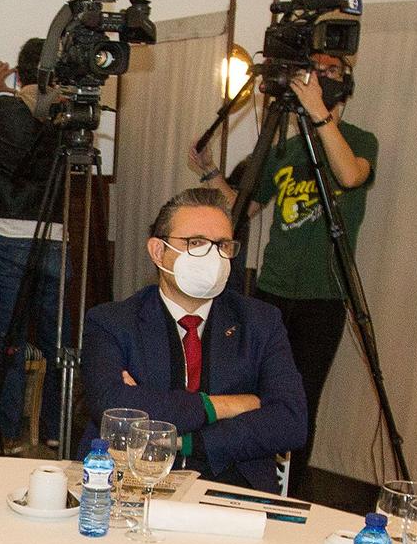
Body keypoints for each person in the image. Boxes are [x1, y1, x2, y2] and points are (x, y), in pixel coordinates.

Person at [191, 51, 374, 473]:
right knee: (258, 389)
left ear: (344, 82)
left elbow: (349, 176)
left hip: (322, 293)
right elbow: (242, 210)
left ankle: (295, 485)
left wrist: (318, 112)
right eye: (314, 71)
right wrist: (210, 174)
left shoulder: (361, 141)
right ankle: (254, 474)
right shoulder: (286, 150)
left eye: (330, 72)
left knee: (302, 397)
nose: (319, 79)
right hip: (273, 289)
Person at [81, 188, 307, 491]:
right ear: (158, 251)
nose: (212, 256)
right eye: (196, 243)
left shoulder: (260, 322)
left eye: (223, 245)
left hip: (234, 483)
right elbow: (111, 406)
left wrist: (187, 442)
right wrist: (221, 407)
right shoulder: (112, 322)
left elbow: (290, 421)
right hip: (131, 479)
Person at [0, 37, 66, 451]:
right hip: (56, 240)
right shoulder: (68, 117)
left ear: (20, 75)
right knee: (57, 343)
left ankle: (7, 433)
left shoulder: (1, 110)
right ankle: (56, 429)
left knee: (9, 339)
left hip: (7, 237)